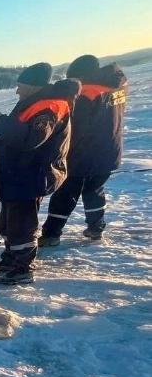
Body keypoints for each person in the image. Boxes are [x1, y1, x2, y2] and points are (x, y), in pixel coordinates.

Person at [0, 62, 80, 285]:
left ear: (33, 86)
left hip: (30, 176)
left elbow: (31, 138)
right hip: (18, 175)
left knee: (21, 225)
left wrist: (0, 121)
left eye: (21, 85)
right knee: (11, 222)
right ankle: (11, 259)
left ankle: (22, 269)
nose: (17, 90)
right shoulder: (35, 102)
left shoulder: (49, 107)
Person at [38, 55, 128, 245]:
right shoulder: (117, 85)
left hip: (84, 153)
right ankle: (96, 228)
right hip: (110, 150)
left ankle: (51, 234)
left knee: (65, 192)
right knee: (94, 189)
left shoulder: (86, 93)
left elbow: (76, 126)